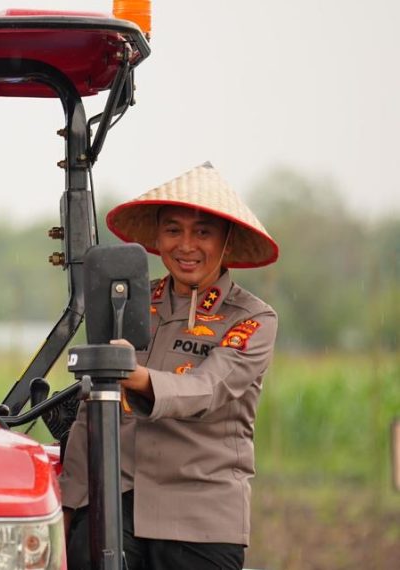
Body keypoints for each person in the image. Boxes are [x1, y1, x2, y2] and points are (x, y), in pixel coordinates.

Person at [60, 163, 280, 570]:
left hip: (201, 516)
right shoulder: (125, 302)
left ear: (226, 241)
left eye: (203, 232)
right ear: (157, 239)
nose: (187, 245)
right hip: (116, 507)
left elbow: (208, 388)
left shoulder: (252, 318)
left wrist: (137, 378)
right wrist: (68, 504)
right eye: (174, 230)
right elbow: (92, 411)